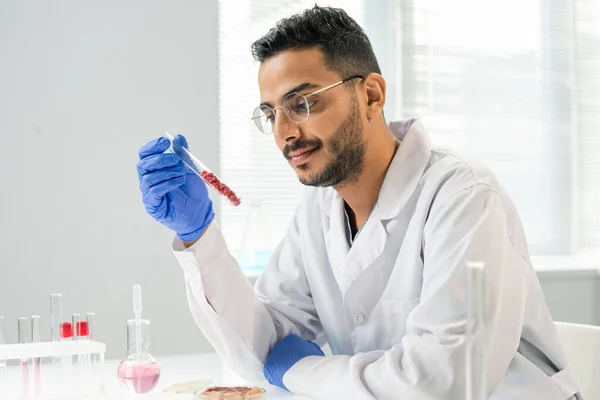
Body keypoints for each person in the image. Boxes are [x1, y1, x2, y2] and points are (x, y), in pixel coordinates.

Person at [136, 5, 580, 400]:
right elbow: (263, 350)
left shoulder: (464, 198)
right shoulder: (318, 212)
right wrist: (198, 237)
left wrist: (304, 370)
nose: (284, 132)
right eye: (271, 113)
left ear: (371, 95)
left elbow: (445, 382)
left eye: (302, 103)